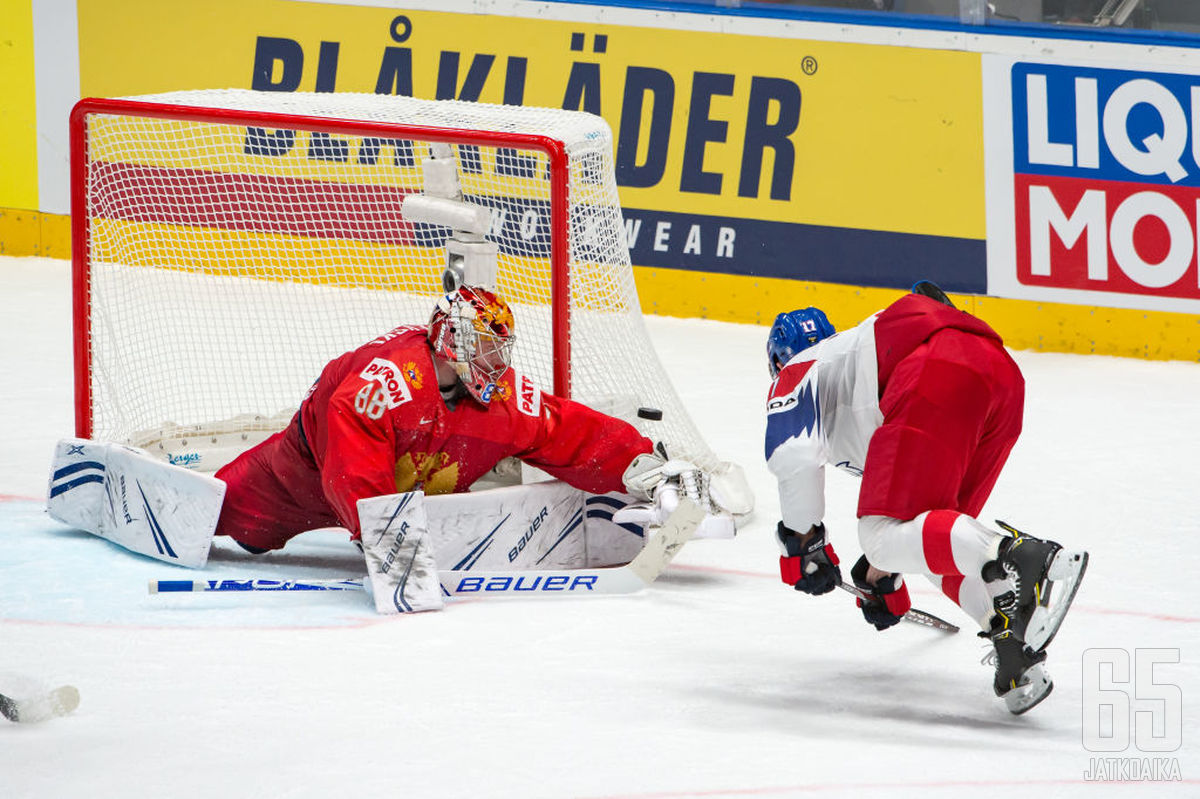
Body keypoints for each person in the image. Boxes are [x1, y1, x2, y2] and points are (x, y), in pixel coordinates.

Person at [47, 284, 730, 612]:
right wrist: (392, 548)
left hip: (398, 488)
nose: (495, 359)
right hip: (302, 473)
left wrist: (639, 461)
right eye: (483, 347)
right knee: (237, 524)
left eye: (501, 348)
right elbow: (353, 466)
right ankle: (110, 487)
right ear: (449, 341)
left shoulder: (495, 397)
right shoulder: (385, 384)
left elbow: (562, 429)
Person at [763, 281, 1088, 714]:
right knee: (934, 537)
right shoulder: (850, 367)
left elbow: (794, 455)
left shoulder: (799, 369)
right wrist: (883, 575)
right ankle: (1013, 643)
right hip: (1001, 378)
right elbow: (915, 523)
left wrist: (803, 547)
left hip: (938, 369)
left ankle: (1022, 558)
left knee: (878, 535)